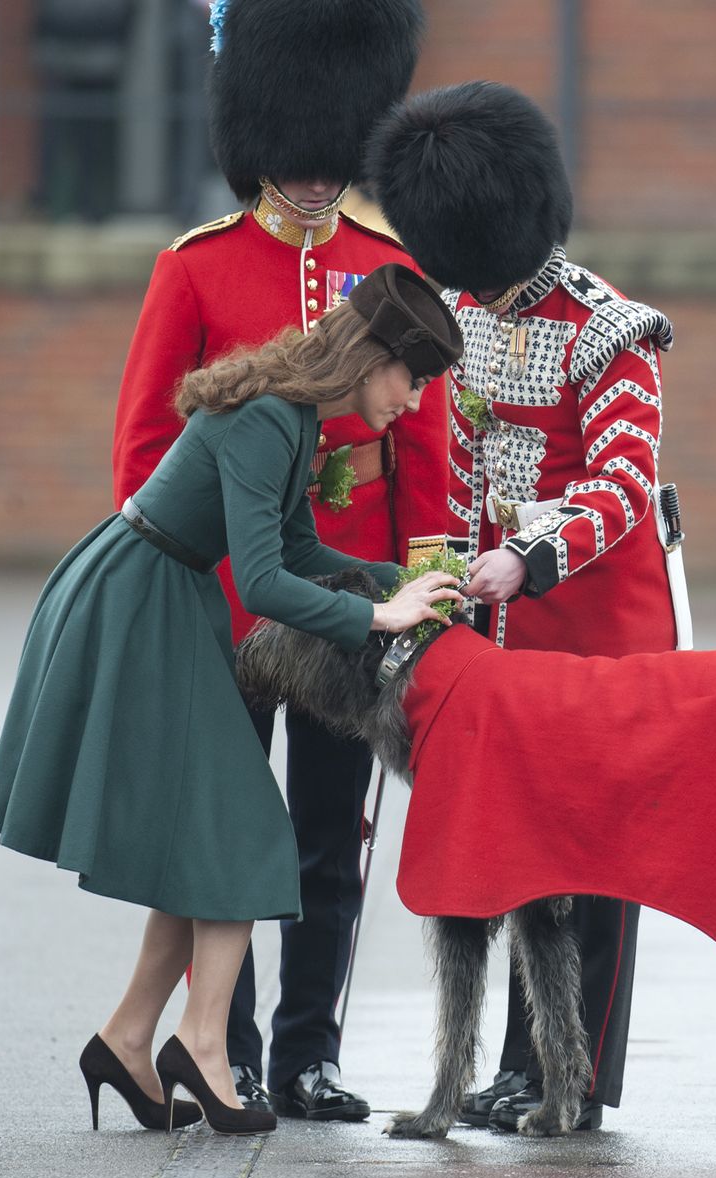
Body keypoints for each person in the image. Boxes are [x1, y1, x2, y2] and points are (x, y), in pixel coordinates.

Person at [0, 264, 464, 1137]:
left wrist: (415, 582)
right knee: (245, 829)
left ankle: (131, 1039)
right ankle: (201, 1045)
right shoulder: (273, 416)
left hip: (164, 592)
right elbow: (268, 581)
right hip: (137, 600)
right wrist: (375, 614)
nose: (417, 401)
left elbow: (298, 545)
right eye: (414, 379)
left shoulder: (296, 412)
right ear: (372, 357)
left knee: (209, 833)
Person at [112, 0, 444, 1119]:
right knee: (228, 832)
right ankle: (230, 1048)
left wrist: (417, 581)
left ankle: (309, 1049)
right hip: (227, 603)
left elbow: (427, 454)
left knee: (329, 835)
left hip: (345, 588)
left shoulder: (384, 264)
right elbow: (149, 454)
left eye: (329, 162)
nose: (312, 180)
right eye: (294, 161)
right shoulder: (197, 268)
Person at [366, 81, 682, 1131]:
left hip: (597, 635)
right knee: (518, 853)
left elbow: (622, 483)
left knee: (594, 863)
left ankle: (576, 1074)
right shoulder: (460, 306)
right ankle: (519, 1063)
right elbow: (451, 464)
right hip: (496, 635)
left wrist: (528, 556)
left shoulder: (609, 329)